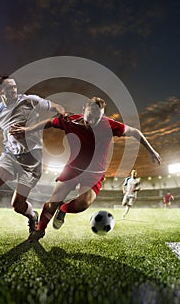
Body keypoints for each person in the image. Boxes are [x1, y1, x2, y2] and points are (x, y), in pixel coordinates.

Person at [10, 96, 161, 242]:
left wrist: (151, 151)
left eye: (98, 117)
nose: (94, 121)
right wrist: (27, 130)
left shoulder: (108, 125)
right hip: (72, 169)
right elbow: (50, 122)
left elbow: (135, 132)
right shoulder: (70, 120)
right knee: (52, 203)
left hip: (94, 174)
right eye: (91, 116)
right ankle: (40, 230)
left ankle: (63, 209)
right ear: (84, 110)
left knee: (82, 205)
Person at [0, 75, 65, 248]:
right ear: (0, 91)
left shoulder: (30, 101)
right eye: (9, 88)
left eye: (15, 86)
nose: (14, 90)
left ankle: (32, 216)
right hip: (10, 156)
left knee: (17, 205)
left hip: (32, 161)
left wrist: (61, 114)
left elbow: (57, 107)